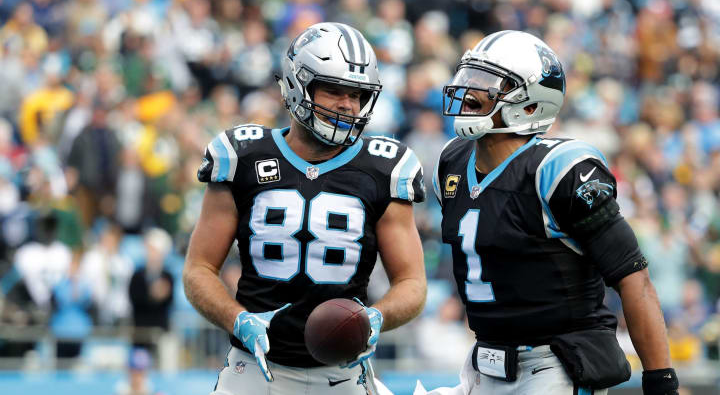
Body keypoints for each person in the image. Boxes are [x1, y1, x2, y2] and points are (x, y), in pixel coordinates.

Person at [419, 31, 679, 395]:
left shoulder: (558, 170)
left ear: (529, 105)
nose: (470, 91)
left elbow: (633, 278)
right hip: (482, 362)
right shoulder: (452, 161)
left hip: (554, 365)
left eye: (488, 82)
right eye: (470, 77)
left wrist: (660, 381)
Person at [183, 22, 427, 395]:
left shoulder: (384, 167)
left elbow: (411, 283)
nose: (348, 104)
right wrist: (239, 320)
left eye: (358, 95)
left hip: (343, 374)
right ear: (298, 85)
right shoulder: (243, 155)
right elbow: (198, 269)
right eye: (334, 90)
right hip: (255, 369)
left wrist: (377, 317)